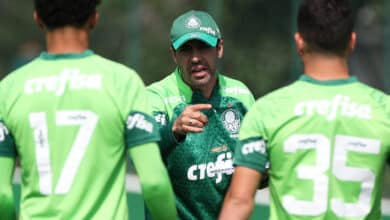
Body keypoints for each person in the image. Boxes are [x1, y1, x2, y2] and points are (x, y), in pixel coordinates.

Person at [0, 0, 177, 219]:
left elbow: (2, 195)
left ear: (37, 18)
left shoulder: (9, 89)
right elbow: (155, 184)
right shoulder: (123, 83)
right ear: (94, 18)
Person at [219, 0, 390, 219]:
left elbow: (239, 202)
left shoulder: (268, 110)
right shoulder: (383, 109)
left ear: (299, 42)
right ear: (352, 42)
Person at [146, 10, 255, 220]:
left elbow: (255, 173)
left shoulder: (240, 95)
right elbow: (143, 154)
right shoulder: (155, 97)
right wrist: (172, 131)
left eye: (203, 47)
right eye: (186, 49)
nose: (196, 58)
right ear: (173, 55)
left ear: (219, 48)